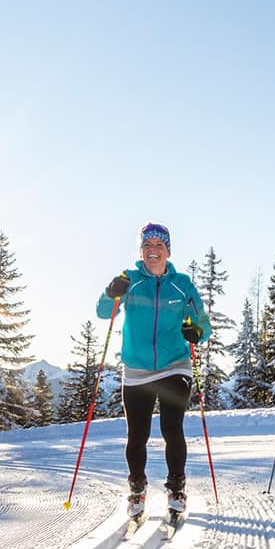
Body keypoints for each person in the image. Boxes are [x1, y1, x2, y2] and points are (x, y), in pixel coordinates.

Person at [97, 222, 209, 523]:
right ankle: (137, 489)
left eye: (159, 245)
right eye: (148, 245)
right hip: (137, 368)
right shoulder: (129, 280)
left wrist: (195, 330)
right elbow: (103, 312)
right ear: (141, 251)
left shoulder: (181, 283)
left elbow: (203, 323)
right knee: (137, 435)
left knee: (172, 428)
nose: (153, 250)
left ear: (168, 250)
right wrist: (111, 293)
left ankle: (176, 489)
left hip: (175, 364)